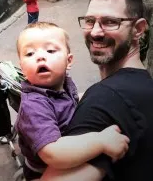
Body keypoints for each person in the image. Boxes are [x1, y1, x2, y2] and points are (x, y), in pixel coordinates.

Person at [41, 0, 153, 181]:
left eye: (110, 22)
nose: (95, 32)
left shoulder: (104, 98)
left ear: (138, 29)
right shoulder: (144, 84)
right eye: (90, 21)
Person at [16, 21, 130, 180]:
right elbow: (53, 153)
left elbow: (74, 100)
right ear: (22, 67)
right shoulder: (34, 106)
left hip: (69, 149)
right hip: (46, 170)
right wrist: (101, 142)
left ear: (68, 61)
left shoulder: (63, 84)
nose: (40, 57)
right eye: (29, 54)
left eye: (50, 50)